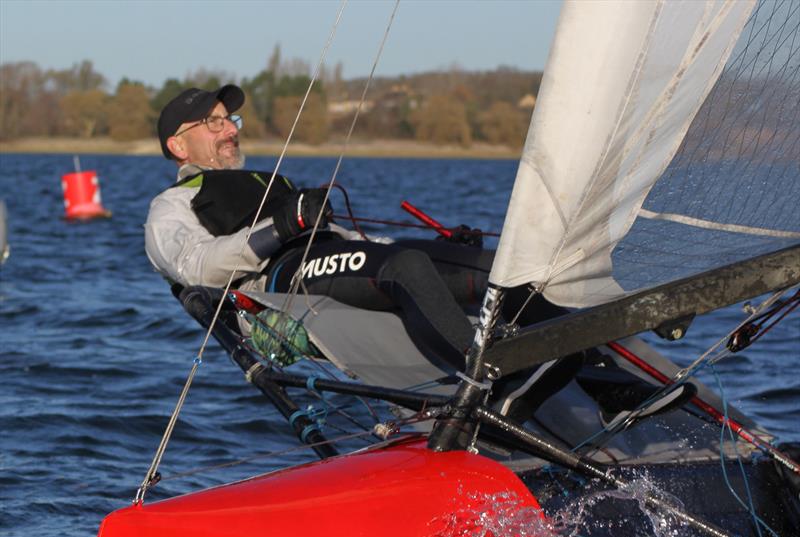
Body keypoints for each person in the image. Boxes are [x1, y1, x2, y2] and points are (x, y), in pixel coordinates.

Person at [146, 84, 569, 386]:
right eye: (213, 122)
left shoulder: (270, 181)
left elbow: (348, 245)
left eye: (230, 119)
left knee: (499, 270)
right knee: (405, 268)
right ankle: (485, 384)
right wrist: (280, 227)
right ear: (179, 146)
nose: (230, 129)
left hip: (329, 259)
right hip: (283, 283)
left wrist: (440, 251)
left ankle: (604, 384)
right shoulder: (171, 206)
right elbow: (198, 268)